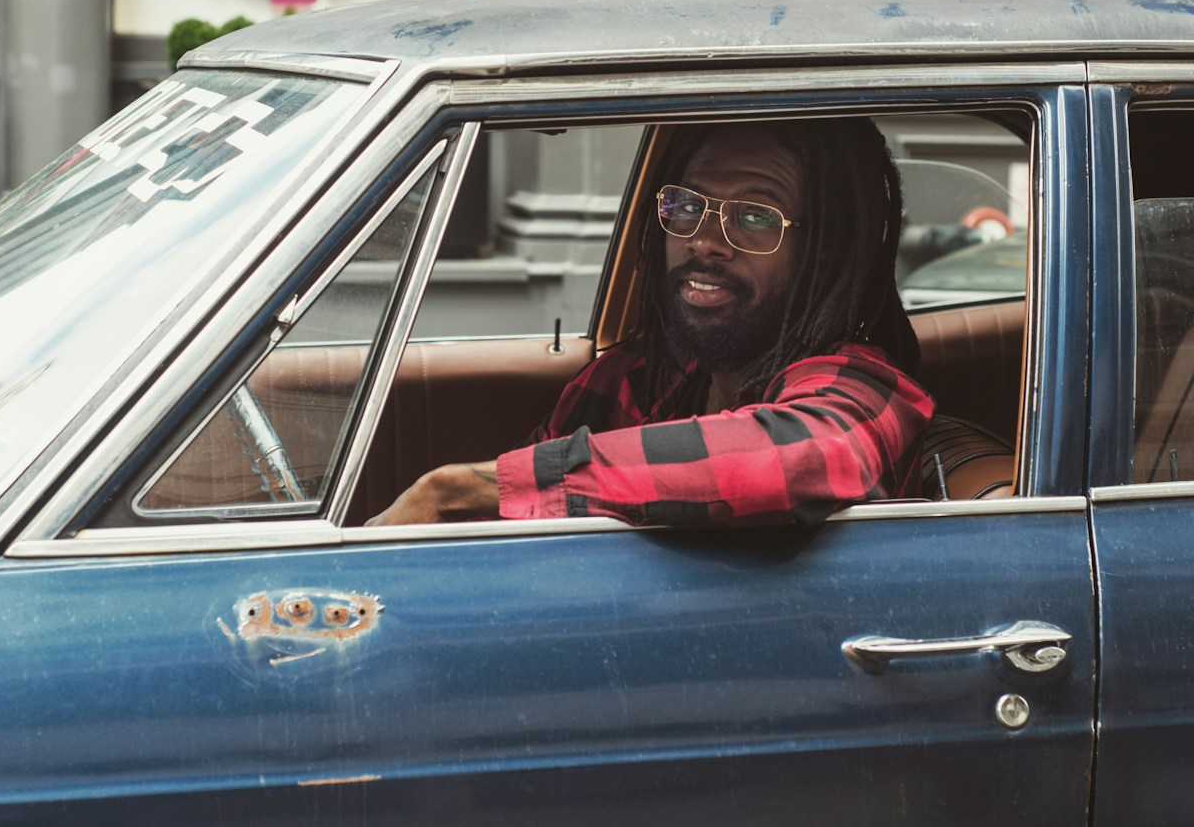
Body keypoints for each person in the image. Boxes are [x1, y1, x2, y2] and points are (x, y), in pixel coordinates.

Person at [365, 118, 936, 528]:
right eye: (686, 206)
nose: (706, 241)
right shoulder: (628, 381)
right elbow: (517, 532)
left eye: (756, 216)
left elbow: (808, 457)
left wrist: (458, 490)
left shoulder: (864, 386)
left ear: (827, 251)